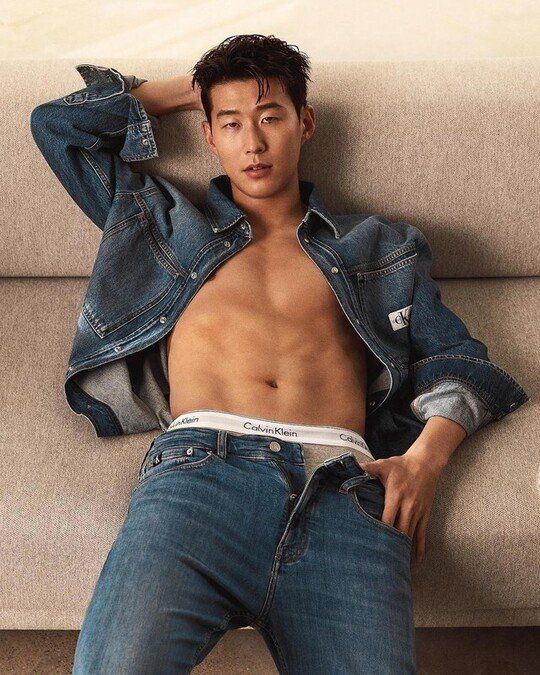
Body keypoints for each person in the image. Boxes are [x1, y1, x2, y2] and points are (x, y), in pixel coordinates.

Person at [30, 34, 529, 674]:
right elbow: (58, 127)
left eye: (270, 118)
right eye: (231, 124)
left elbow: (459, 360)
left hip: (341, 487)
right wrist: (194, 89)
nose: (254, 143)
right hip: (198, 476)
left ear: (305, 123)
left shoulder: (379, 245)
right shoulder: (163, 224)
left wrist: (424, 462)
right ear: (208, 135)